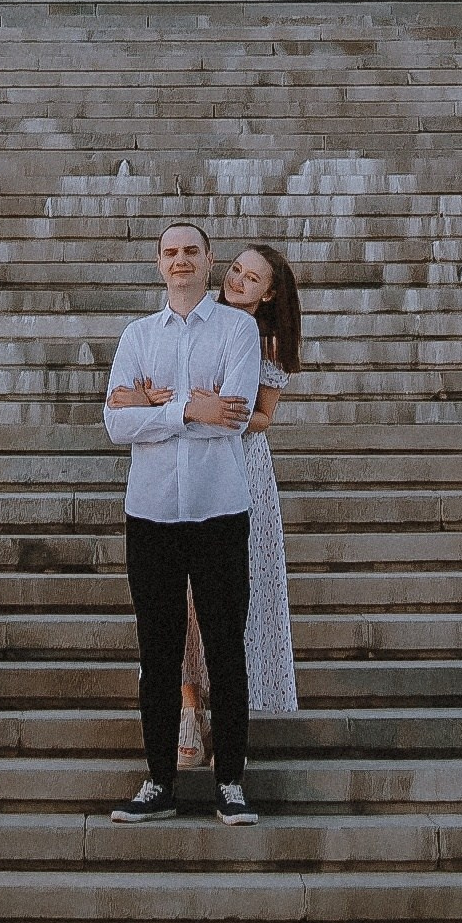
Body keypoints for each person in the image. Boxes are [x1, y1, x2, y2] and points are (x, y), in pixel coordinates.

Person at [103, 218, 263, 826]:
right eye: (170, 252)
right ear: (158, 263)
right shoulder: (138, 335)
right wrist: (190, 406)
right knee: (158, 648)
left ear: (209, 259)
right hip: (151, 513)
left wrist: (154, 404)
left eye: (191, 251)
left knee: (225, 647)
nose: (180, 261)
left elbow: (234, 417)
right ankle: (159, 782)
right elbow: (115, 423)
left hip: (219, 509)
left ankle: (231, 783)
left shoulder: (238, 329)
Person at [179, 242, 302, 766]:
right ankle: (188, 709)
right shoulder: (198, 319)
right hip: (189, 457)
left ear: (269, 293)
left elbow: (264, 416)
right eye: (235, 270)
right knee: (184, 590)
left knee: (240, 592)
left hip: (243, 466)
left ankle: (231, 717)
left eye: (252, 278)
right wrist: (196, 409)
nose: (237, 281)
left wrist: (220, 413)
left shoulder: (269, 342)